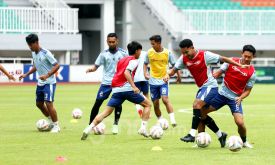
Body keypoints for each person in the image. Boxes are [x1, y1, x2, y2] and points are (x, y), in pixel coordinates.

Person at [169, 39, 248, 147]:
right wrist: (167, 75)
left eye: (186, 52)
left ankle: (192, 134)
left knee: (196, 105)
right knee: (201, 113)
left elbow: (223, 58)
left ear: (192, 47)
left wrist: (238, 65)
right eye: (183, 52)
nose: (185, 54)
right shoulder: (184, 58)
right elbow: (174, 69)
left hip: (210, 86)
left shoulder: (205, 55)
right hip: (202, 88)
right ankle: (220, 135)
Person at [81, 41, 151, 140]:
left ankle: (88, 129)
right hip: (127, 89)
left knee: (106, 112)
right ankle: (143, 128)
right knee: (148, 105)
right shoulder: (135, 60)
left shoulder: (121, 60)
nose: (140, 53)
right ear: (137, 51)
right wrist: (134, 86)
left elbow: (118, 73)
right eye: (140, 51)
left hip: (116, 90)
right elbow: (127, 73)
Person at [200, 45, 256, 148]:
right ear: (242, 54)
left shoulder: (252, 72)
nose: (247, 59)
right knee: (201, 112)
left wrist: (240, 97)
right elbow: (217, 73)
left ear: (253, 57)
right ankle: (207, 136)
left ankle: (244, 142)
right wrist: (210, 81)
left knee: (240, 122)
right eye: (245, 56)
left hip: (234, 99)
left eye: (249, 57)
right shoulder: (231, 61)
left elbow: (248, 90)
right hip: (220, 95)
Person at [86, 33, 127, 134]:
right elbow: (96, 66)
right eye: (109, 42)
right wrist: (91, 69)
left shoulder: (123, 53)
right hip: (106, 83)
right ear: (107, 42)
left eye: (113, 42)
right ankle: (90, 125)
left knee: (117, 103)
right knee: (97, 103)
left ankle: (115, 125)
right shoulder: (103, 54)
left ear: (117, 41)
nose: (111, 43)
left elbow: (129, 66)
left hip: (118, 83)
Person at [19, 33, 60, 133]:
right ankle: (50, 120)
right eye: (28, 45)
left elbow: (57, 65)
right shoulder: (34, 53)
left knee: (48, 103)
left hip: (49, 82)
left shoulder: (46, 53)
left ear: (36, 42)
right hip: (41, 83)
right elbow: (36, 66)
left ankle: (56, 125)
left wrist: (47, 75)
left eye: (30, 45)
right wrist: (26, 74)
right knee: (39, 104)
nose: (29, 47)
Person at [144, 35, 179, 127]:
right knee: (155, 104)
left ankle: (172, 120)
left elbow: (175, 65)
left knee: (165, 99)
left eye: (153, 44)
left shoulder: (167, 53)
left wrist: (178, 76)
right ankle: (161, 120)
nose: (152, 46)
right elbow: (145, 63)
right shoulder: (149, 52)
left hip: (163, 80)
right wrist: (145, 73)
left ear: (159, 43)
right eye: (151, 44)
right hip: (152, 82)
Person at [133, 51, 149, 118]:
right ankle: (147, 113)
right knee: (146, 95)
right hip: (144, 77)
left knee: (136, 96)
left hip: (136, 78)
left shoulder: (133, 54)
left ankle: (139, 110)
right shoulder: (146, 53)